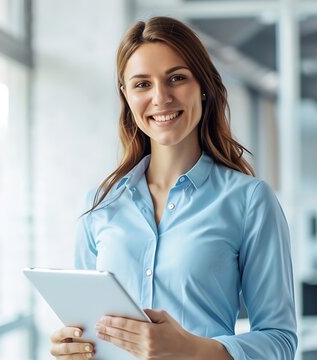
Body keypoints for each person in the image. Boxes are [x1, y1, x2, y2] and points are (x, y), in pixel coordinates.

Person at [49, 16, 297, 359]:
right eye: (141, 84)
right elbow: (87, 329)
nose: (160, 97)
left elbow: (281, 342)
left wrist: (191, 350)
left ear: (204, 85)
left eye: (176, 78)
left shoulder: (249, 200)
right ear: (126, 95)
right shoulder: (98, 204)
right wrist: (73, 347)